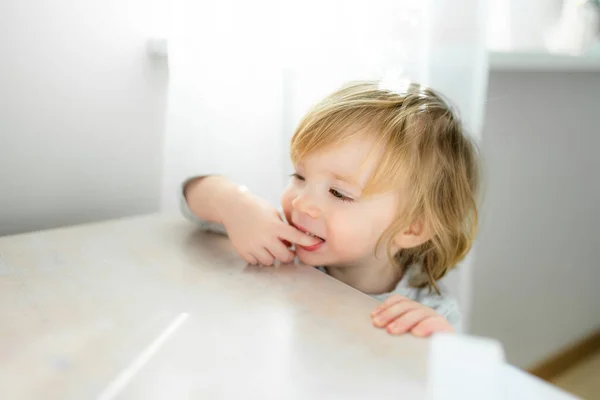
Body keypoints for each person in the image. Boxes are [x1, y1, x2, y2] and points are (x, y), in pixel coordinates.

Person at [181, 80, 480, 337]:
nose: (302, 202)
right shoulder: (279, 241)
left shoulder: (431, 313)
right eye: (299, 176)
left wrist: (437, 353)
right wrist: (235, 204)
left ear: (411, 228)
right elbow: (191, 199)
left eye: (339, 193)